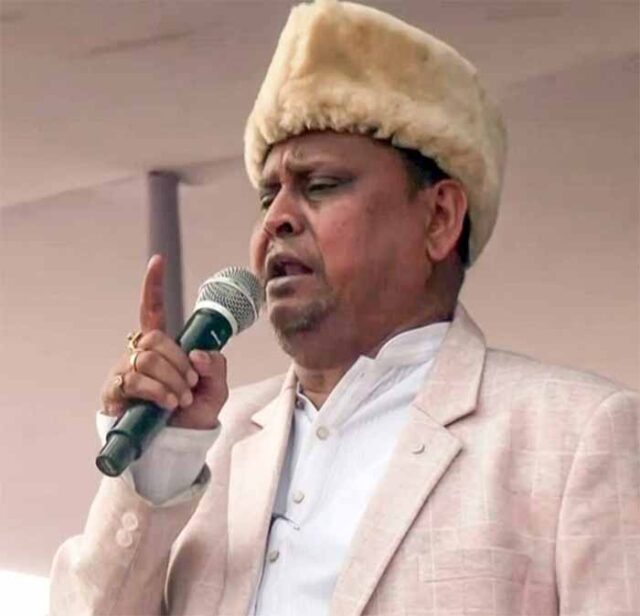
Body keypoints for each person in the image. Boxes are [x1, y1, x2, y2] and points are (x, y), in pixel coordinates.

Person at [50, 1, 639, 614]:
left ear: (439, 218)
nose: (277, 218)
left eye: (321, 185)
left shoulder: (575, 437)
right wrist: (160, 465)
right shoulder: (210, 443)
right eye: (267, 196)